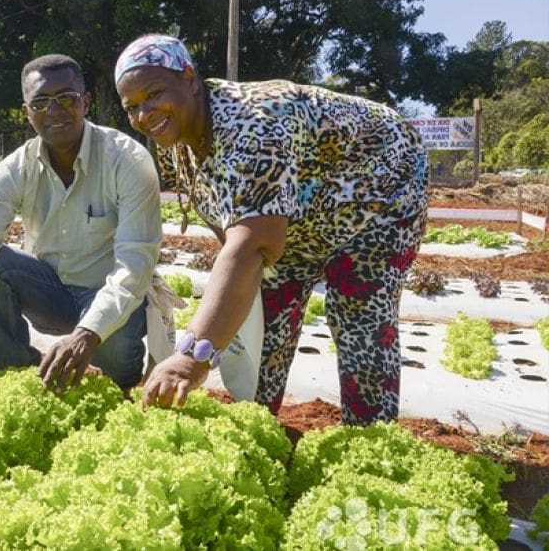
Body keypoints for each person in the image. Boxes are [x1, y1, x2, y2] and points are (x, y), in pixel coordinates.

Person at [115, 35, 428, 425]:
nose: (144, 114)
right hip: (302, 214)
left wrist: (190, 357)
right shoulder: (179, 136)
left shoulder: (253, 125)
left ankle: (372, 440)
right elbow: (233, 230)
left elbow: (253, 244)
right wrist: (239, 296)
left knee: (357, 308)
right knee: (269, 315)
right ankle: (257, 421)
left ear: (190, 78)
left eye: (154, 93)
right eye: (132, 107)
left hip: (380, 189)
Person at [0, 54, 162, 393]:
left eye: (67, 99)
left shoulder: (127, 160)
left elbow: (135, 265)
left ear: (86, 102)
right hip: (51, 293)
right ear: (27, 111)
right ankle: (16, 376)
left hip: (109, 292)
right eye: (40, 102)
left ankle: (118, 365)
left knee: (117, 365)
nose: (54, 111)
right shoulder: (15, 169)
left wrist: (87, 334)